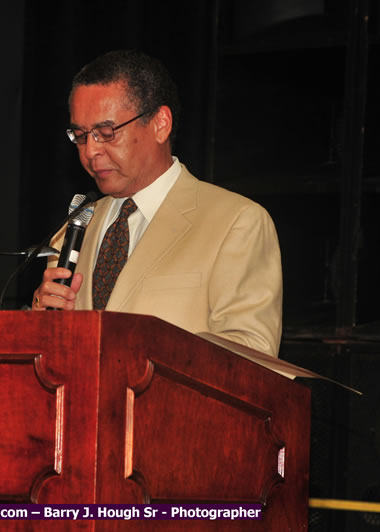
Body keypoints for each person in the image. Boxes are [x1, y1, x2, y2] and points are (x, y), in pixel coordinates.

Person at [31, 50, 283, 357]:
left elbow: (252, 356)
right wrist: (43, 320)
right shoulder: (72, 230)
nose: (90, 151)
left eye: (106, 132)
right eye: (81, 136)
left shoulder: (236, 222)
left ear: (160, 124)